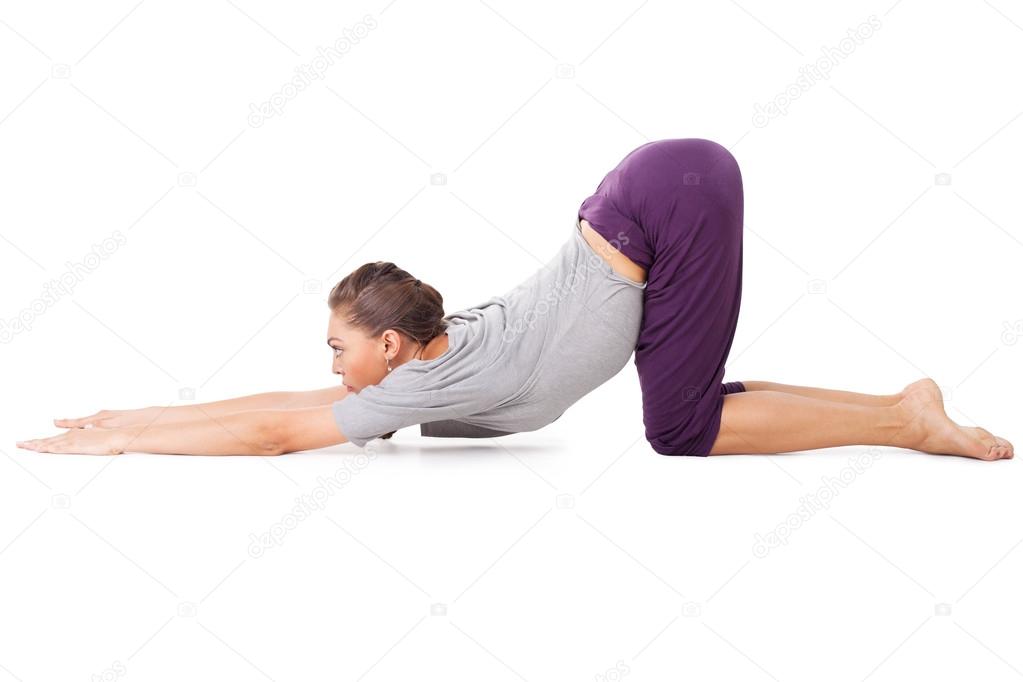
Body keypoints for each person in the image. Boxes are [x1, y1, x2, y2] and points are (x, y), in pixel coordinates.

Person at [16, 139, 1014, 460]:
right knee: (687, 393)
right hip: (655, 194)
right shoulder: (422, 365)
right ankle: (905, 409)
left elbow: (279, 431)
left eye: (337, 347)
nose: (328, 367)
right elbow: (293, 404)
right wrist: (143, 409)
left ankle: (904, 424)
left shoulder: (412, 387)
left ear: (396, 348)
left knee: (680, 426)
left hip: (663, 204)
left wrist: (120, 444)